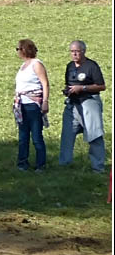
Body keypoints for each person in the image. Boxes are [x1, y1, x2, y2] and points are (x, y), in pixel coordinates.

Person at [60, 41, 107, 173]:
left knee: (94, 134)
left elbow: (101, 86)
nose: (74, 54)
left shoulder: (91, 66)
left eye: (77, 51)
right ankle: (65, 165)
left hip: (89, 101)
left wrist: (83, 88)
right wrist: (67, 90)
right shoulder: (70, 66)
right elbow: (68, 83)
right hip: (73, 103)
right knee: (67, 134)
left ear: (83, 51)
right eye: (72, 51)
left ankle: (98, 167)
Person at [14, 39, 50, 172]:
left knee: (36, 136)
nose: (17, 52)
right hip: (22, 104)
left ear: (24, 49)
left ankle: (41, 164)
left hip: (33, 105)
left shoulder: (36, 64)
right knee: (23, 136)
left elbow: (45, 83)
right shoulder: (23, 65)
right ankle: (22, 163)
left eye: (18, 49)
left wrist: (45, 101)